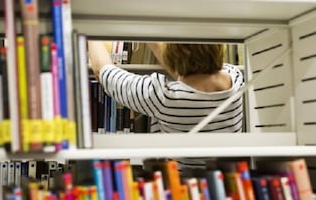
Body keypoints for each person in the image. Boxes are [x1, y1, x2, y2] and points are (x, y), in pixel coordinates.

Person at [87, 41, 244, 170]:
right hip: (226, 184)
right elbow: (188, 73)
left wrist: (89, 30)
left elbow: (103, 71)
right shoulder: (236, 79)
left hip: (180, 189)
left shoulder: (164, 97)